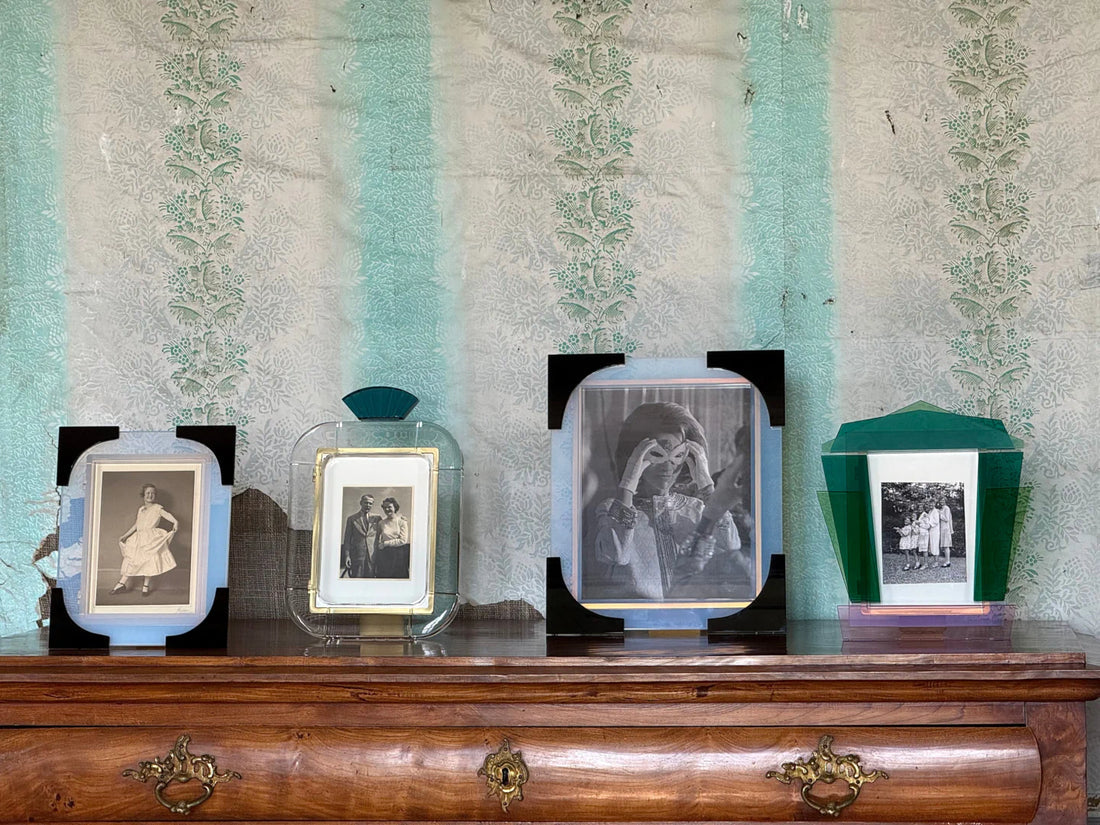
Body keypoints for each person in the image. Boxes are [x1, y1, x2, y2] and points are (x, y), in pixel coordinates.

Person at [589, 401, 745, 600]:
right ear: (635, 457)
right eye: (657, 455)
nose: (667, 466)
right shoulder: (611, 509)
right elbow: (614, 554)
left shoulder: (697, 509)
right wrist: (628, 480)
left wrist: (706, 484)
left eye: (678, 456)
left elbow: (731, 546)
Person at [110, 483, 179, 597]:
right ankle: (121, 584)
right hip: (139, 538)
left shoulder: (158, 508)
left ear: (155, 495)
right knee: (133, 560)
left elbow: (168, 515)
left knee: (149, 560)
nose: (150, 495)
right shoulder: (141, 509)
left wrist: (175, 522)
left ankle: (145, 586)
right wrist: (125, 535)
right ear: (143, 495)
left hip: (150, 537)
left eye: (152, 493)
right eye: (148, 493)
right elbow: (137, 525)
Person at [341, 495, 380, 578]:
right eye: (366, 503)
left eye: (370, 503)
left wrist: (400, 519)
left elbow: (387, 526)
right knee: (356, 579)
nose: (368, 505)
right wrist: (347, 556)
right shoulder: (352, 519)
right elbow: (347, 539)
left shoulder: (377, 518)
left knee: (371, 581)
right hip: (357, 556)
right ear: (361, 503)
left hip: (373, 556)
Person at [373, 497, 410, 578]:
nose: (387, 509)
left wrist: (385, 544)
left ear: (395, 507)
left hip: (399, 555)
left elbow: (403, 540)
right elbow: (377, 538)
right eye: (384, 507)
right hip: (384, 555)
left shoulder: (402, 522)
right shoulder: (381, 523)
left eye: (389, 507)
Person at [938, 498, 954, 567]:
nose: (941, 502)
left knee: (946, 545)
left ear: (945, 501)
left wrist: (940, 514)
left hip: (946, 529)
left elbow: (947, 519)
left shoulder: (946, 508)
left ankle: (948, 561)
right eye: (941, 501)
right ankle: (947, 561)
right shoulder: (942, 509)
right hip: (943, 529)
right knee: (945, 546)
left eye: (943, 501)